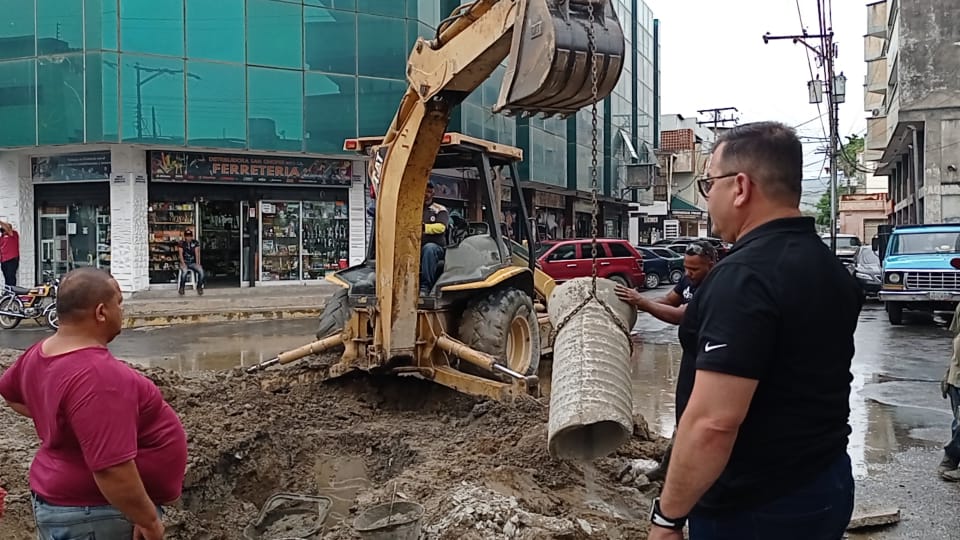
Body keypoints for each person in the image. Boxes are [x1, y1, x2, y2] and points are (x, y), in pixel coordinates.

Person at [647, 122, 863, 540]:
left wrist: (668, 518)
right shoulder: (827, 267)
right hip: (824, 480)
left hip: (755, 506)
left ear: (741, 187)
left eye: (710, 185)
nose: (707, 200)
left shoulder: (743, 278)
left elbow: (713, 422)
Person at [0, 268, 188, 540]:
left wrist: (68, 426)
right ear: (101, 312)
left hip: (74, 507)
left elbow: (12, 394)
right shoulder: (99, 376)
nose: (122, 311)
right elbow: (112, 469)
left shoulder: (40, 352)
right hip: (98, 514)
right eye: (119, 304)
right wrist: (147, 520)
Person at [615, 240, 717, 325]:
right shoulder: (688, 279)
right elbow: (669, 300)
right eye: (685, 268)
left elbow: (680, 316)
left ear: (710, 265)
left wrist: (643, 302)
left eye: (694, 269)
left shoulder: (715, 286)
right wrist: (634, 302)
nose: (687, 273)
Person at [938, 302, 960, 481]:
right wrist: (948, 374)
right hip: (957, 378)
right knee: (958, 423)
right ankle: (952, 459)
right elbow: (956, 340)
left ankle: (952, 457)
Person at [421, 182, 449, 295]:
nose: (426, 194)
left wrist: (423, 228)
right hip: (415, 246)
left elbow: (441, 227)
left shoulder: (440, 209)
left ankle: (425, 286)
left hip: (436, 248)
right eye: (424, 191)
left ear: (433, 193)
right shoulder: (413, 208)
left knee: (429, 249)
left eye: (428, 192)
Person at [177, 229, 205, 296]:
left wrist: (198, 263)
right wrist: (183, 264)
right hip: (184, 262)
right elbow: (180, 255)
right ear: (185, 236)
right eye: (187, 236)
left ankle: (199, 287)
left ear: (192, 236)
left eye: (190, 236)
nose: (188, 237)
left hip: (193, 263)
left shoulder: (195, 243)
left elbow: (197, 253)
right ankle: (182, 288)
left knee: (201, 271)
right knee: (184, 272)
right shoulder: (181, 243)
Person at [0, 219, 20, 287]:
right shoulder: (1, 238)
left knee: (11, 277)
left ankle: (13, 292)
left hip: (12, 259)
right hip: (4, 260)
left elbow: (8, 229)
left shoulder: (14, 234)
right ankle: (8, 293)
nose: (3, 230)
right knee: (7, 278)